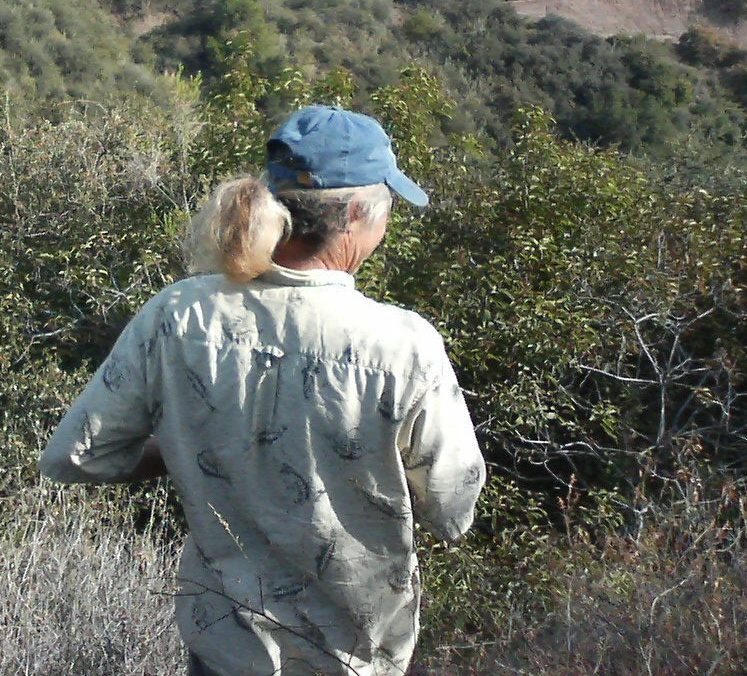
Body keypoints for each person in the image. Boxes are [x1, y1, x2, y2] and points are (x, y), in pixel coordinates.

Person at [40, 105, 486, 676]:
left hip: (225, 643)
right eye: (387, 207)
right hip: (353, 652)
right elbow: (453, 508)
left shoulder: (179, 314)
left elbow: (74, 455)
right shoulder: (402, 344)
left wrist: (195, 449)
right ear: (354, 213)